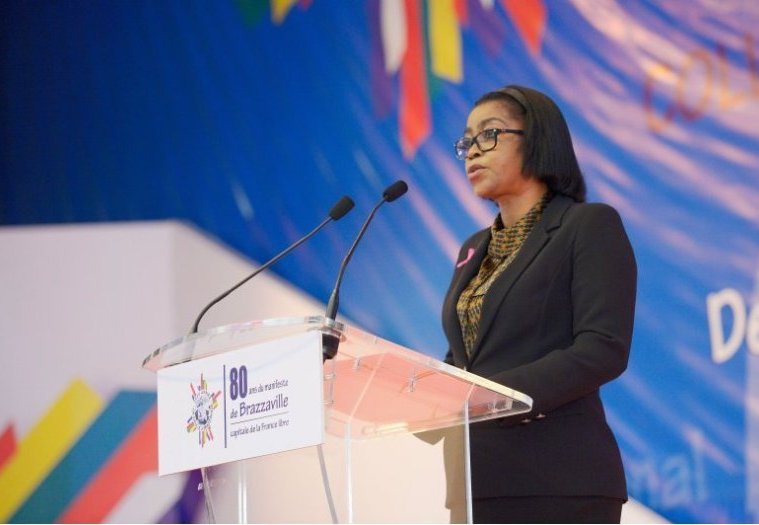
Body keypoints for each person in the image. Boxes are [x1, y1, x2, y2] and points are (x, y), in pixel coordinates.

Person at [441, 85, 637, 523]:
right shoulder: (473, 249)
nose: (473, 151)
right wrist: (416, 393)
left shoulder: (587, 225)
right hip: (477, 485)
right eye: (467, 141)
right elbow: (464, 358)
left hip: (558, 479)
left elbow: (603, 347)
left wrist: (498, 399)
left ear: (538, 140)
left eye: (489, 134)